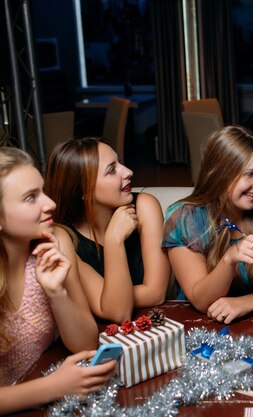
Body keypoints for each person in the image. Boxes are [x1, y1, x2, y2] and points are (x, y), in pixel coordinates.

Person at [0, 147, 115, 414]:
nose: (50, 203)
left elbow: (86, 343)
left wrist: (56, 293)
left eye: (42, 191)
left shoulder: (56, 242)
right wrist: (54, 386)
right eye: (31, 198)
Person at [162, 126, 253, 323]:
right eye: (250, 174)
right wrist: (229, 260)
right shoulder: (186, 218)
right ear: (220, 174)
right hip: (205, 332)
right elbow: (201, 300)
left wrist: (252, 301)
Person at [44, 138, 170, 323]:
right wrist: (114, 240)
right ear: (84, 190)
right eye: (111, 170)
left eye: (119, 163)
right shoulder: (65, 239)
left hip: (153, 327)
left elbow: (156, 293)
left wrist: (107, 299)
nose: (128, 172)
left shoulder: (144, 206)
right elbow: (118, 313)